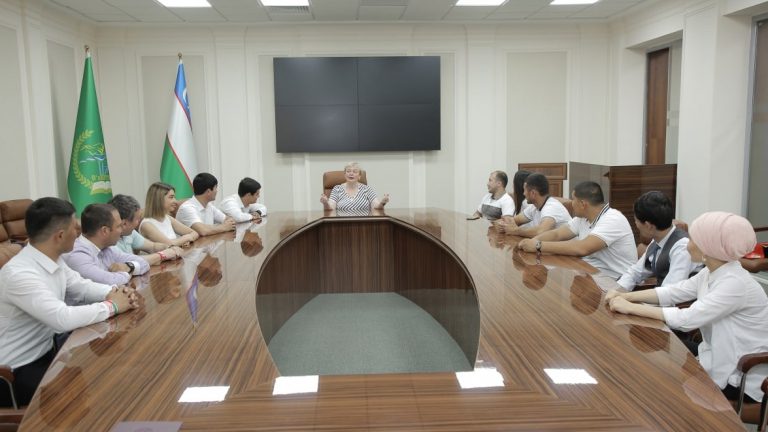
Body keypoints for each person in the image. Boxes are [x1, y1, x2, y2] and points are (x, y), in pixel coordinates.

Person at [606, 212, 768, 404]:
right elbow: (674, 291)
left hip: (739, 375)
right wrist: (626, 296)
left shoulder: (734, 283)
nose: (687, 243)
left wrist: (630, 307)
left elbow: (687, 319)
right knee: (652, 350)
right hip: (715, 355)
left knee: (660, 382)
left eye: (693, 239)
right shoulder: (713, 272)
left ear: (708, 247)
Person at [0, 198, 136, 407]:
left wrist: (117, 292)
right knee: (96, 389)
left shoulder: (53, 259)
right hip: (17, 372)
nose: (79, 233)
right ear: (60, 235)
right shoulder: (20, 274)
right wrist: (113, 305)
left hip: (49, 352)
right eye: (75, 228)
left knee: (106, 373)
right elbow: (61, 318)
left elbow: (81, 286)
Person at [517, 181, 636, 279]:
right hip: (590, 272)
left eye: (573, 199)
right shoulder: (583, 218)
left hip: (615, 280)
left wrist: (538, 246)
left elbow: (582, 248)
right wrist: (532, 241)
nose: (571, 203)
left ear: (583, 204)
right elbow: (557, 234)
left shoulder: (612, 219)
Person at [616, 191, 699, 291]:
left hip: (675, 298)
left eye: (636, 220)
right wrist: (616, 291)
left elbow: (670, 291)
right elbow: (636, 272)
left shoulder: (682, 247)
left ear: (648, 226)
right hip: (659, 296)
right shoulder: (657, 240)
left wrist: (630, 298)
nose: (636, 224)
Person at [63, 203, 150, 285]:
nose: (122, 230)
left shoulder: (107, 247)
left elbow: (144, 263)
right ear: (105, 231)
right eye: (119, 226)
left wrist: (128, 267)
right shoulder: (77, 255)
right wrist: (128, 273)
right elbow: (110, 281)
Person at [108, 194, 183, 266]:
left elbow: (153, 246)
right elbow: (129, 263)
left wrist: (169, 248)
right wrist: (162, 255)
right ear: (124, 223)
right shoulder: (109, 241)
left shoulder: (130, 233)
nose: (139, 222)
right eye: (137, 219)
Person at [497, 173, 571, 237]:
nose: (524, 194)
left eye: (524, 190)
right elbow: (516, 220)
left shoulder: (551, 207)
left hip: (565, 248)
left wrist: (516, 231)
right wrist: (504, 224)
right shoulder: (534, 207)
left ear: (533, 193)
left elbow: (541, 231)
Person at [139, 182, 200, 246]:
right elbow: (169, 244)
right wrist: (186, 238)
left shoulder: (167, 218)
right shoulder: (146, 225)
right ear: (159, 199)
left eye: (174, 197)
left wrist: (182, 240)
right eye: (171, 197)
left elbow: (194, 233)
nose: (175, 201)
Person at [320, 162, 390, 212]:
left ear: (359, 176)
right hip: (341, 224)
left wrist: (382, 202)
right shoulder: (337, 189)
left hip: (364, 224)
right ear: (345, 175)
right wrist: (325, 203)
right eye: (348, 171)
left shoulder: (367, 189)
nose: (351, 173)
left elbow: (377, 207)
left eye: (355, 172)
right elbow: (330, 209)